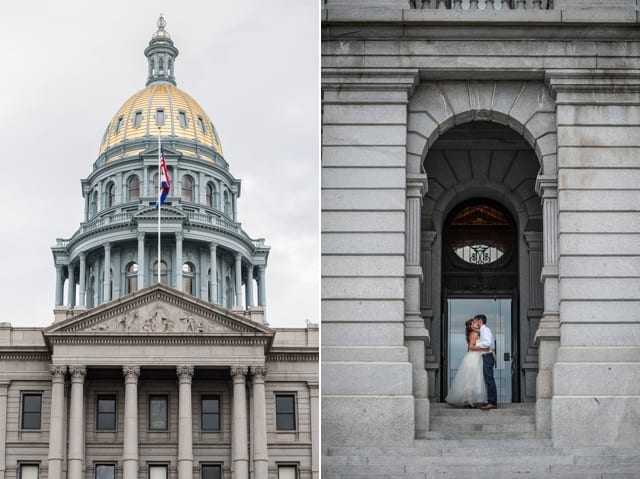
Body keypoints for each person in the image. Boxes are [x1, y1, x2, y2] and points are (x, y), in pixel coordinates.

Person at [445, 319, 489, 408]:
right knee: (471, 381)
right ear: (471, 326)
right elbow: (471, 347)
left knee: (470, 381)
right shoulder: (475, 334)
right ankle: (469, 401)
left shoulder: (473, 334)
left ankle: (469, 400)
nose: (477, 323)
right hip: (473, 359)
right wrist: (483, 349)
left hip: (472, 358)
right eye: (475, 323)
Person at [474, 314, 498, 410]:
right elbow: (491, 346)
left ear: (480, 321)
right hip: (487, 356)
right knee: (488, 379)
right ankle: (491, 401)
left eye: (476, 321)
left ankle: (492, 402)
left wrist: (477, 344)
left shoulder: (485, 330)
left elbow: (488, 343)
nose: (475, 323)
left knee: (489, 379)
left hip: (488, 357)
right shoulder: (482, 331)